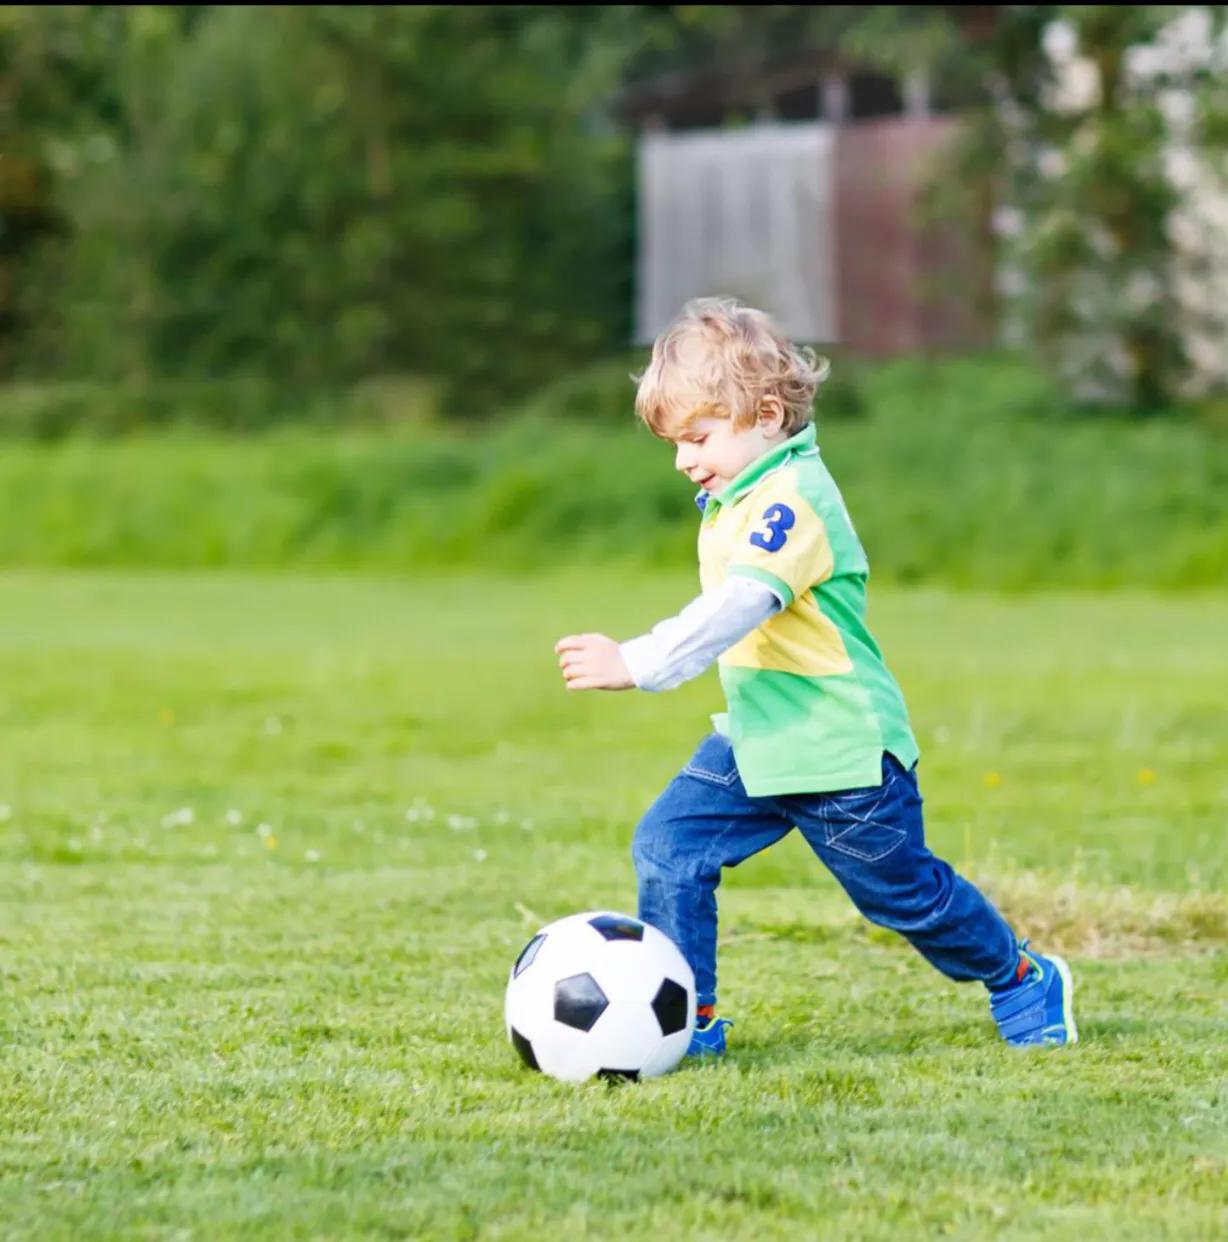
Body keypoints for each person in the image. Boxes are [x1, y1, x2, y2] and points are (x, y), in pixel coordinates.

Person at [554, 297, 1077, 1057]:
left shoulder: (793, 501)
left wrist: (638, 661)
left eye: (698, 437)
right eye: (675, 443)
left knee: (903, 898)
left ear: (766, 415)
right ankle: (688, 1020)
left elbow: (741, 604)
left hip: (840, 754)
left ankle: (1022, 976)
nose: (683, 460)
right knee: (669, 849)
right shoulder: (738, 495)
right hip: (758, 741)